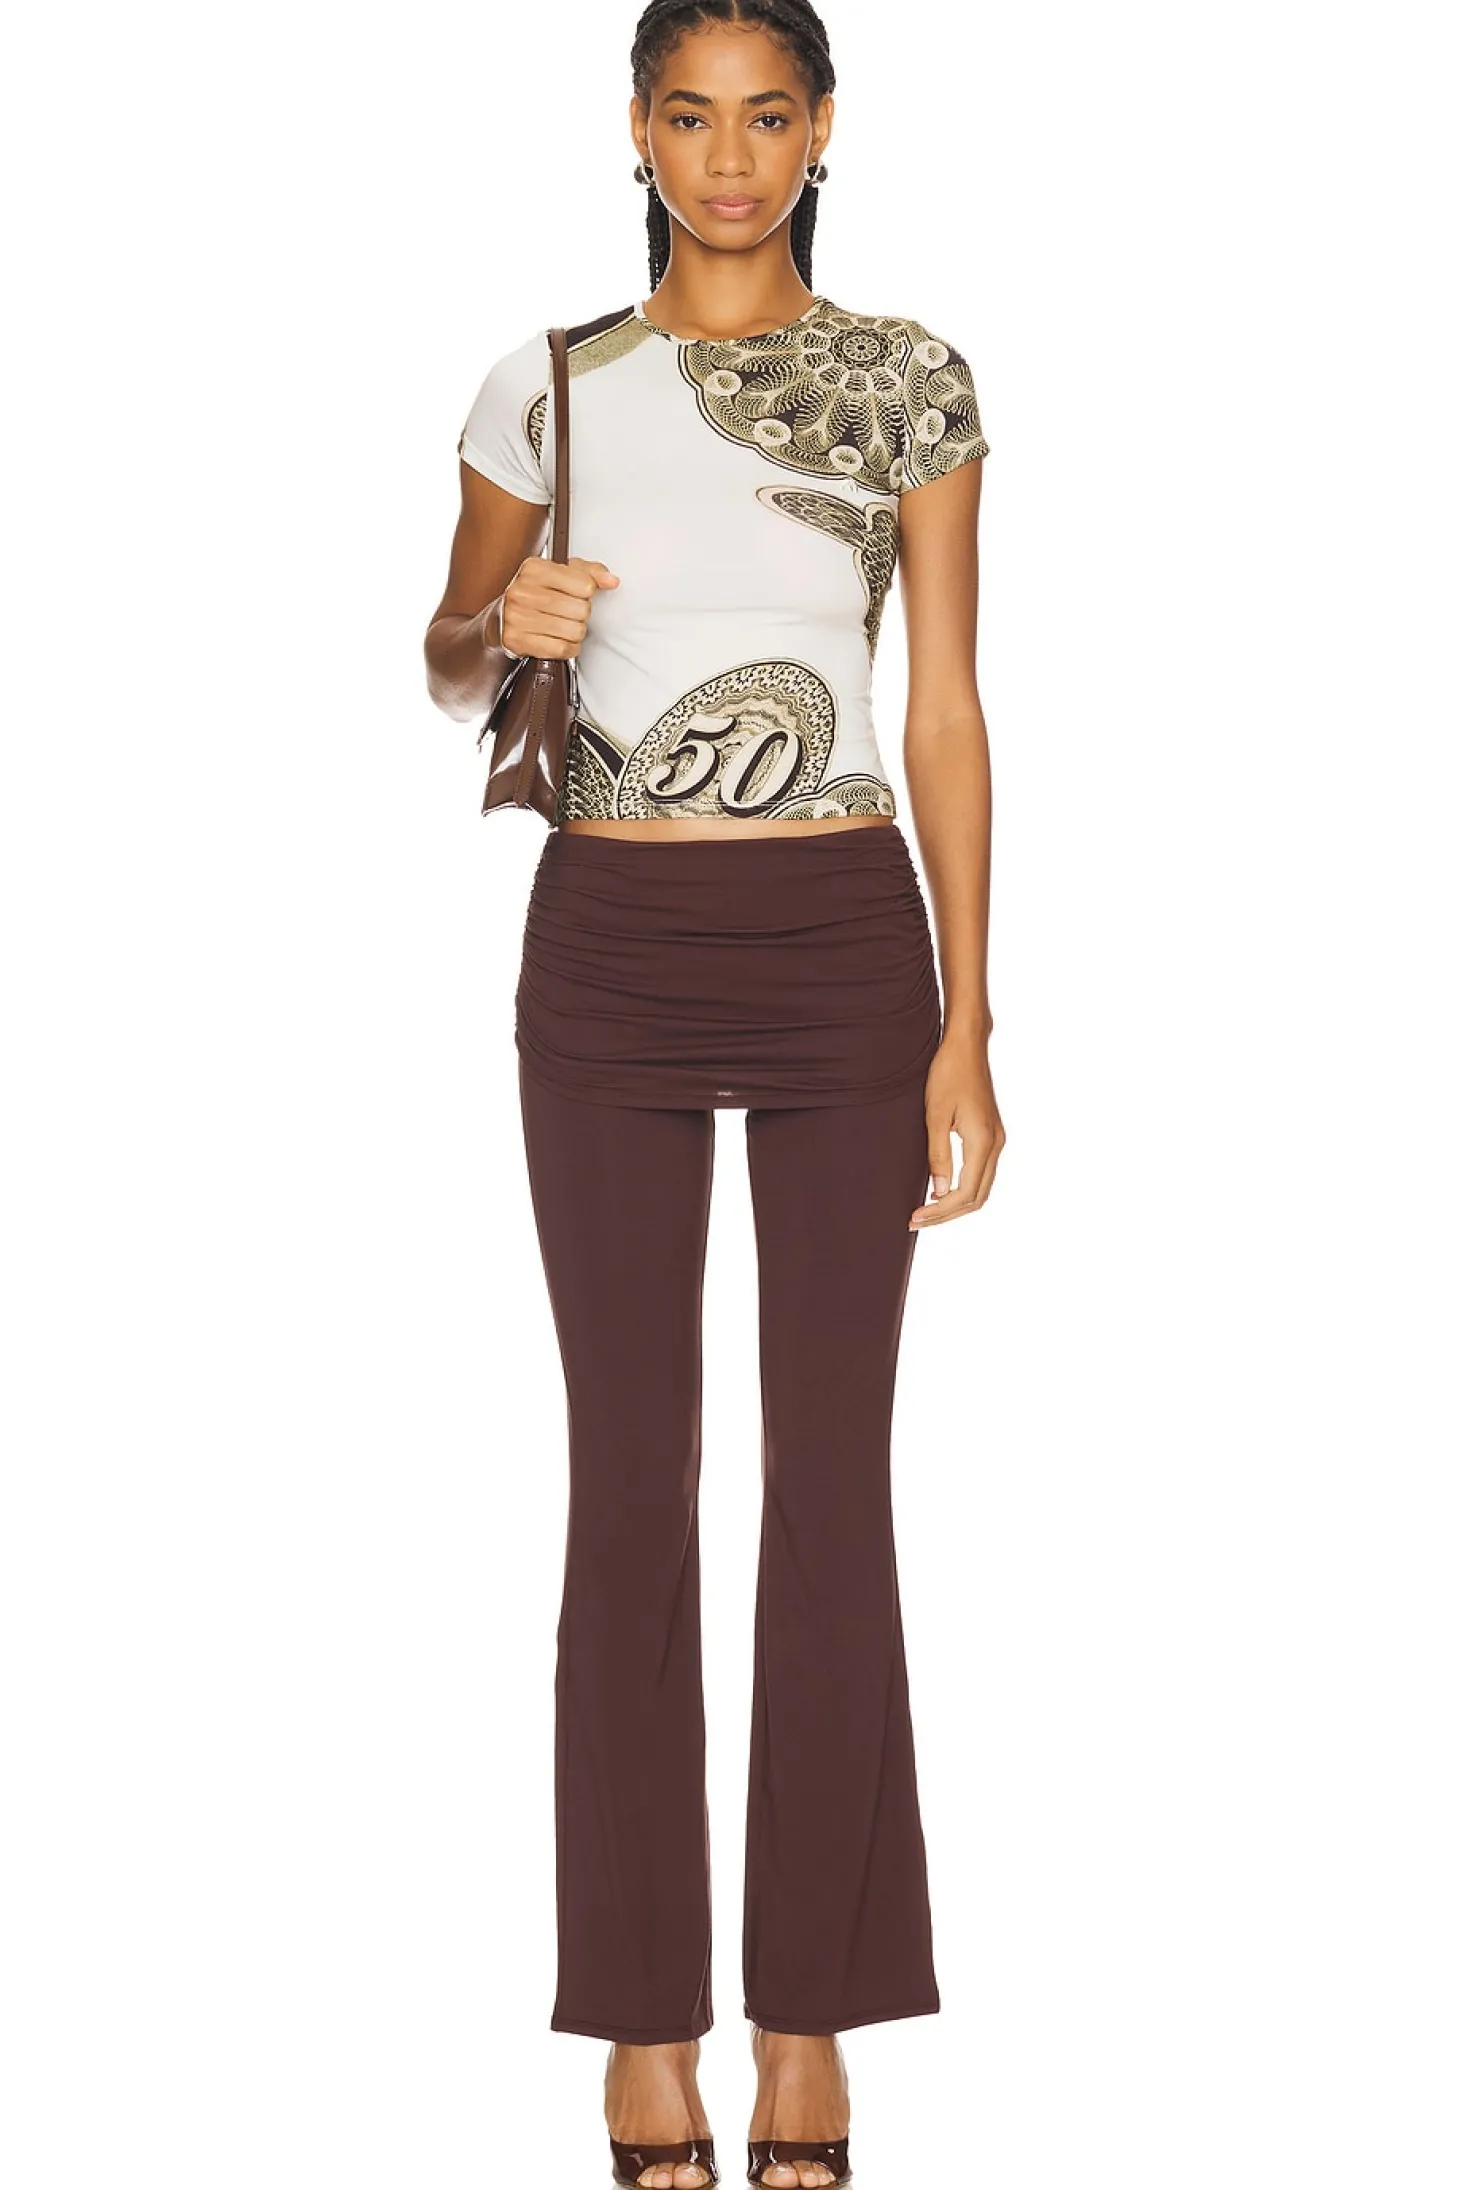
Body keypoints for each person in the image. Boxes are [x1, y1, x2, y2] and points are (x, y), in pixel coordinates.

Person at [423, 4, 1004, 2183]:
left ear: (822, 130)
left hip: (846, 934)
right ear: (638, 133)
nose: (730, 156)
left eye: (768, 116)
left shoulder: (909, 380)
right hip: (611, 943)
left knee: (831, 1486)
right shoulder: (549, 383)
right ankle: (643, 2022)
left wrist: (969, 1016)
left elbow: (941, 707)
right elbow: (446, 656)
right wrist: (502, 621)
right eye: (691, 115)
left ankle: (812, 2016)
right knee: (628, 1483)